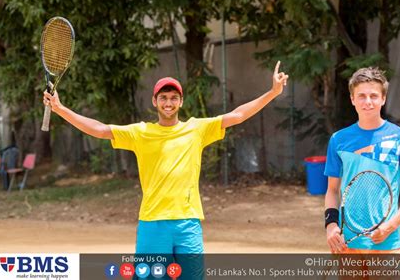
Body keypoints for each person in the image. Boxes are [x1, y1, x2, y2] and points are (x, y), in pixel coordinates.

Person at [43, 62, 288, 273]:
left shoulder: (197, 129)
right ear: (155, 101)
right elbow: (100, 129)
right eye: (163, 97)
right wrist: (61, 109)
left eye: (173, 98)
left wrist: (272, 92)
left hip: (188, 223)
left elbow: (237, 115)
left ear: (180, 101)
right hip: (153, 223)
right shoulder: (140, 133)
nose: (168, 102)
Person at [324, 67, 400, 254]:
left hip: (387, 243)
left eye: (374, 96)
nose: (367, 101)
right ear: (352, 99)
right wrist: (330, 224)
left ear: (383, 99)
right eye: (361, 96)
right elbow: (332, 190)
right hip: (346, 244)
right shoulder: (338, 140)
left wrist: (389, 227)